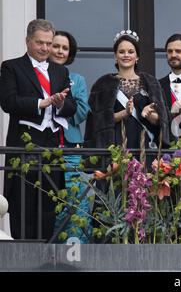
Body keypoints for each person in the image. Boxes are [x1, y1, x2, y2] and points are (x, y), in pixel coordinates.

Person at [0, 19, 77, 240]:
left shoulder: (60, 71)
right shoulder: (12, 67)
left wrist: (61, 102)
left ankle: (44, 260)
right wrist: (40, 103)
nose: (45, 48)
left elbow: (71, 107)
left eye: (49, 43)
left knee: (48, 207)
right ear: (27, 41)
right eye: (39, 43)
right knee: (22, 208)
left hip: (50, 149)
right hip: (23, 147)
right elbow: (8, 101)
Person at [84, 30, 171, 152]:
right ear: (115, 56)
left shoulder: (151, 83)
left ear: (137, 57)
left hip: (145, 147)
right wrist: (124, 113)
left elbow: (164, 120)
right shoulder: (102, 84)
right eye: (121, 52)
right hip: (114, 149)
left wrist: (151, 116)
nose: (126, 55)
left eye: (131, 52)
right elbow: (96, 121)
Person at [48, 30, 92, 243]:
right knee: (49, 206)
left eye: (64, 48)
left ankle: (77, 255)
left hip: (71, 148)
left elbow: (82, 112)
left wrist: (64, 102)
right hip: (45, 147)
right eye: (56, 46)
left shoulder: (77, 80)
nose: (60, 51)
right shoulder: (38, 75)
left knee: (76, 206)